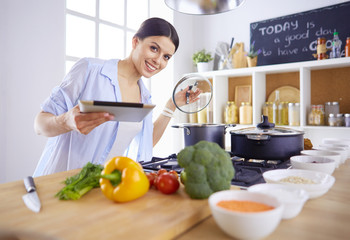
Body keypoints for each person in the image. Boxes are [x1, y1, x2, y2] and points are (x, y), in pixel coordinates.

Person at [33, 17, 200, 177]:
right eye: (154, 48)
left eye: (166, 57)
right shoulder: (89, 70)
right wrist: (66, 121)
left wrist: (171, 105)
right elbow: (39, 125)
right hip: (59, 180)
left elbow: (145, 144)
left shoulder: (145, 97)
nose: (158, 60)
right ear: (135, 42)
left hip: (100, 188)